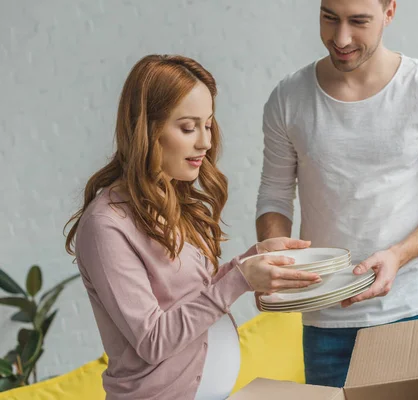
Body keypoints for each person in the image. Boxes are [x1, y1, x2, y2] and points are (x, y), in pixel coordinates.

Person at [64, 54, 321, 400]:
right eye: (188, 128)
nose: (205, 142)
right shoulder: (105, 226)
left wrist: (252, 259)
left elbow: (190, 299)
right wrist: (240, 279)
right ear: (147, 129)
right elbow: (152, 340)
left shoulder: (173, 199)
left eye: (208, 125)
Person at [255, 0, 418, 388]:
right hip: (327, 323)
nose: (340, 38)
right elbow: (274, 196)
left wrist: (398, 254)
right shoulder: (288, 98)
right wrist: (273, 255)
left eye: (358, 21)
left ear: (389, 11)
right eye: (329, 18)